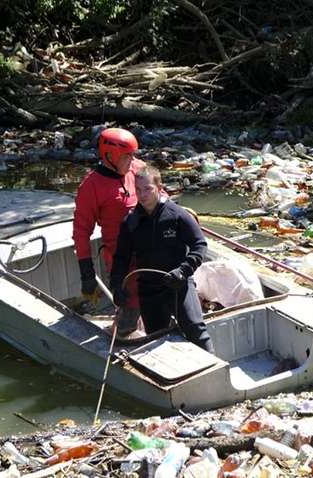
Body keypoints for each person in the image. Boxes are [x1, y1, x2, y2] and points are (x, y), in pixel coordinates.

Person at [109, 166, 214, 353]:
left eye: (148, 189)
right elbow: (121, 258)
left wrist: (183, 271)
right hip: (149, 290)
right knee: (158, 339)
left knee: (196, 329)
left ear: (159, 187)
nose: (143, 195)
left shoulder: (177, 215)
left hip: (179, 284)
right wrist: (117, 285)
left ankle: (214, 373)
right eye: (138, 190)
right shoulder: (130, 223)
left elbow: (200, 246)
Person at [72, 127, 142, 334]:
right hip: (122, 259)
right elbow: (81, 232)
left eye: (133, 155)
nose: (132, 160)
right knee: (130, 309)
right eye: (127, 156)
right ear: (110, 156)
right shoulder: (91, 186)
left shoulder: (138, 169)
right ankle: (124, 338)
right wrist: (87, 274)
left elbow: (160, 194)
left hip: (150, 250)